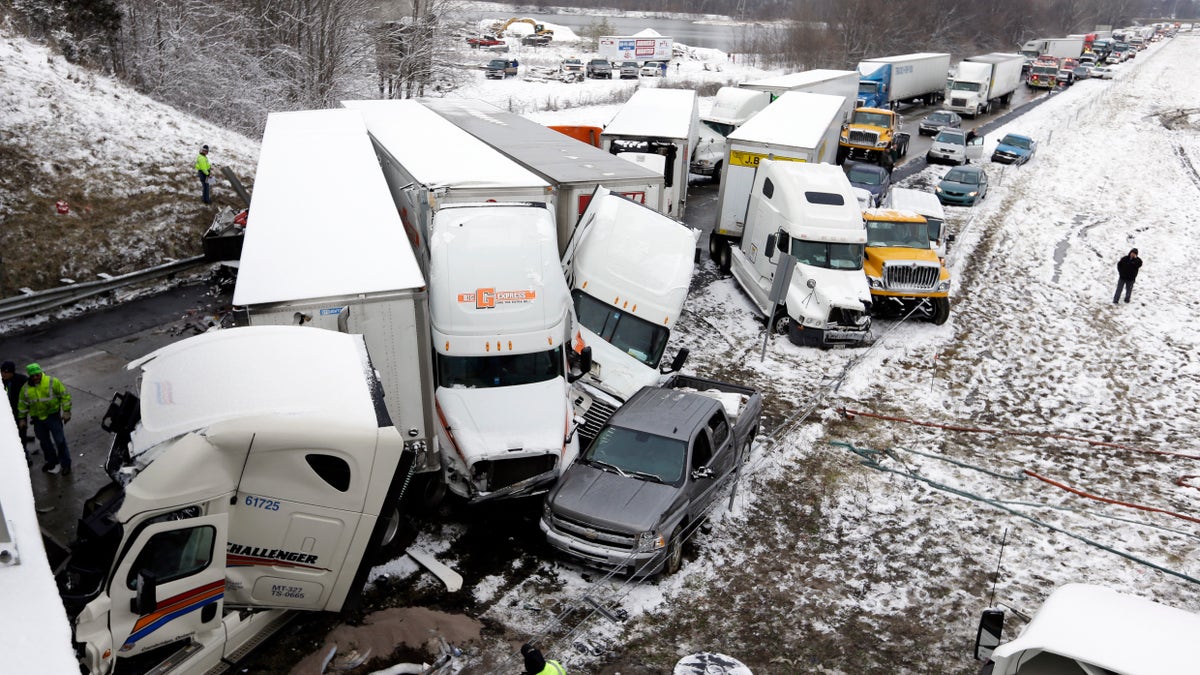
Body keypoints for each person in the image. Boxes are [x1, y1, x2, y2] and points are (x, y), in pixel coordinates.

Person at [17, 363, 73, 476]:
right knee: (45, 442)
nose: (35, 378)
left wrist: (66, 411)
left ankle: (66, 464)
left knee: (60, 441)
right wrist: (22, 418)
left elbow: (64, 395)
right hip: (38, 419)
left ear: (40, 372)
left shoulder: (52, 382)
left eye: (37, 375)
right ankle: (52, 461)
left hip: (53, 417)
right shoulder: (26, 388)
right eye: (32, 376)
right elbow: (22, 404)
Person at [1, 361, 31, 451]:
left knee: (22, 432)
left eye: (6, 372)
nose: (3, 374)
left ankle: (24, 452)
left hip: (19, 411)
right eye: (2, 372)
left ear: (12, 372)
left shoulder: (21, 380)